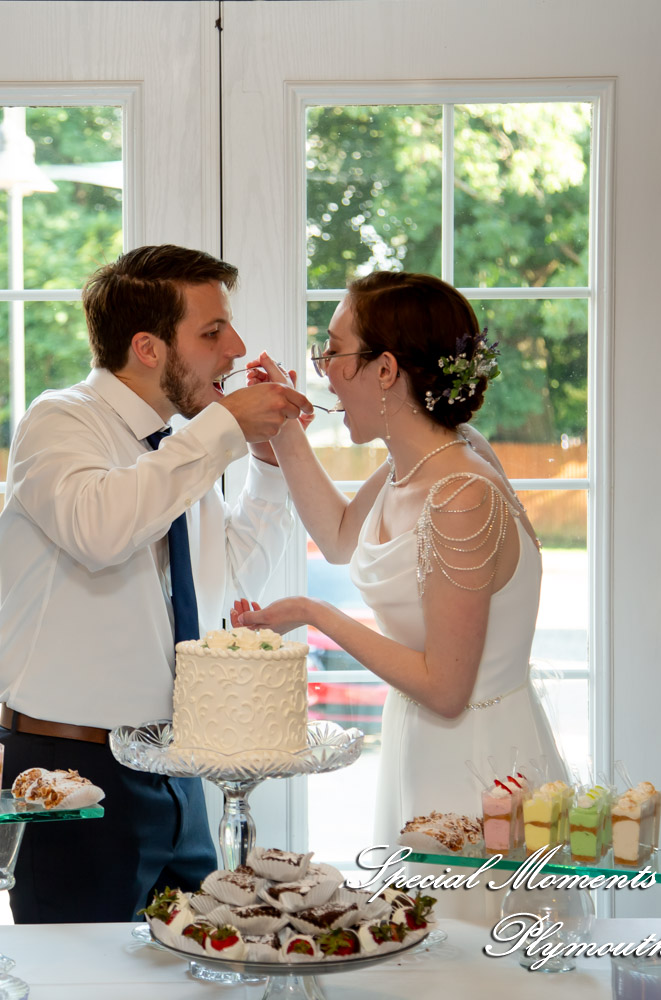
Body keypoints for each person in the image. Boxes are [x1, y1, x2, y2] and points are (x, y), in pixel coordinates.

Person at [0, 244, 311, 923]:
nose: (237, 348)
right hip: (67, 769)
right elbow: (100, 532)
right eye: (212, 331)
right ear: (148, 347)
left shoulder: (177, 449)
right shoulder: (62, 421)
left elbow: (227, 574)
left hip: (173, 767)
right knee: (76, 984)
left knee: (195, 973)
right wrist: (222, 429)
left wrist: (267, 465)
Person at [233, 271, 561, 921]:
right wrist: (284, 431)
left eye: (334, 351)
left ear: (385, 370)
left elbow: (445, 687)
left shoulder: (462, 495)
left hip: (478, 776)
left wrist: (314, 613)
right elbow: (338, 538)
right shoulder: (413, 465)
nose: (323, 372)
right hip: (422, 753)